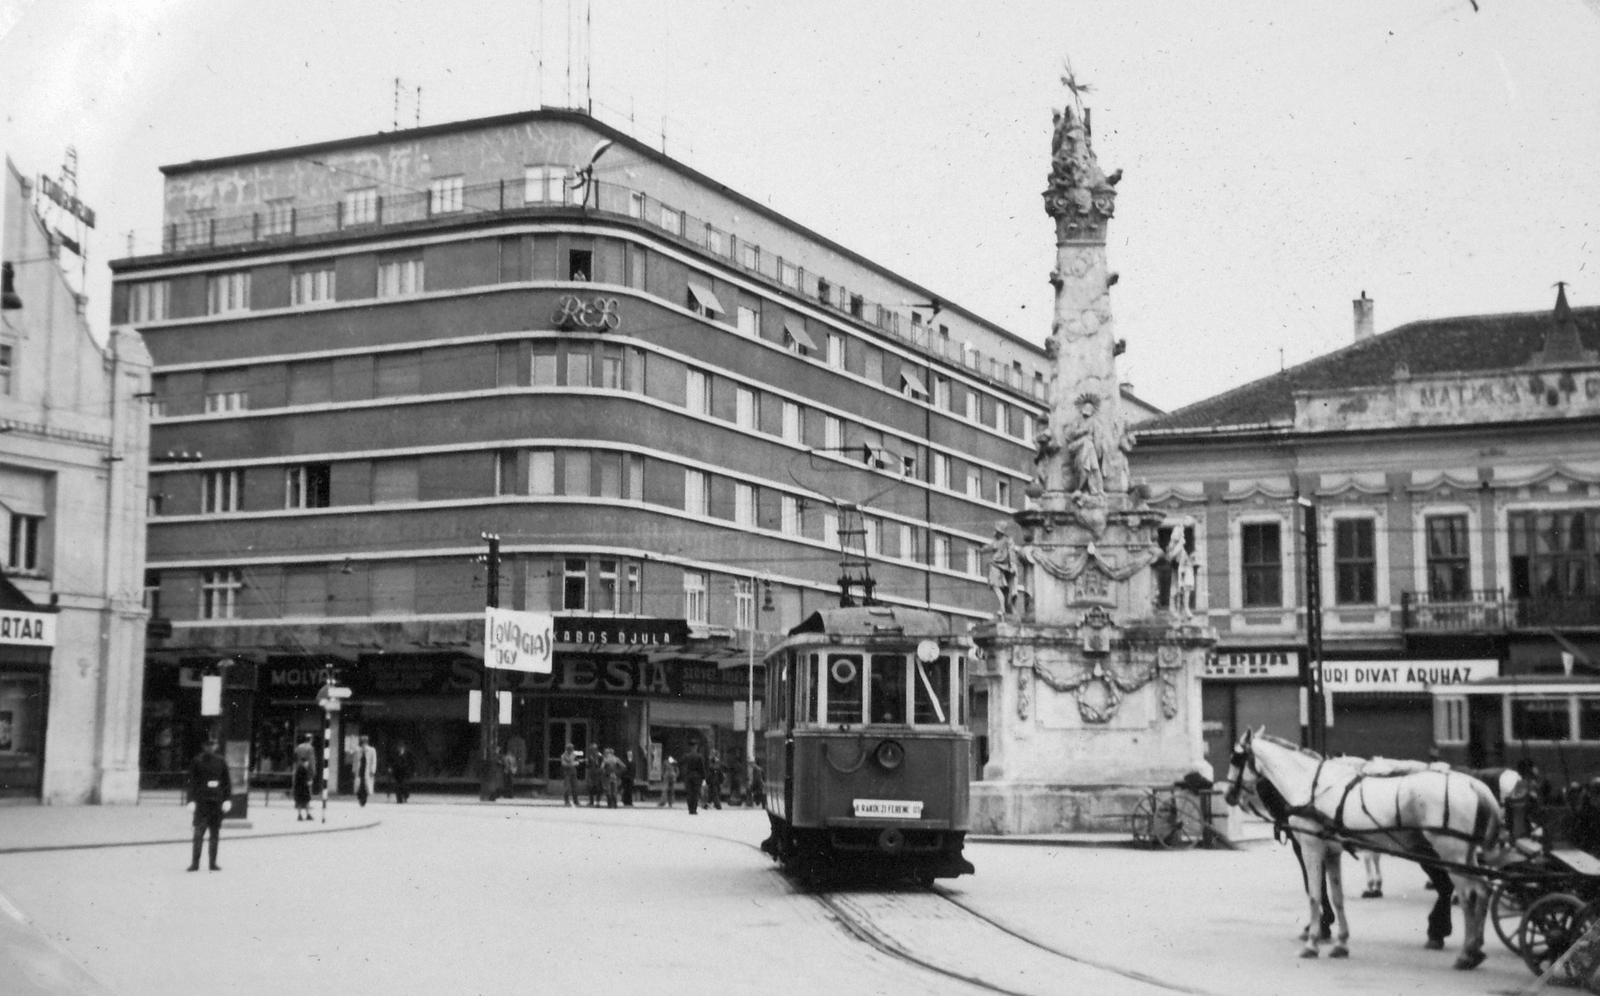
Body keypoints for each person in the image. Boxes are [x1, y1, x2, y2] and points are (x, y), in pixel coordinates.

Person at [187, 739, 232, 872]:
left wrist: (227, 799)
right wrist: (190, 800)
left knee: (214, 834)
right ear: (204, 746)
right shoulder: (197, 761)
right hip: (202, 802)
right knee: (198, 834)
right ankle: (195, 863)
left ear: (216, 746)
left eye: (212, 745)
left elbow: (226, 782)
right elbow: (192, 783)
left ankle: (213, 863)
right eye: (208, 745)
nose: (210, 748)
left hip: (216, 802)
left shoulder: (221, 761)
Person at [292, 736, 315, 821]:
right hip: (306, 773)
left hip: (298, 772)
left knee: (298, 796)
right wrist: (312, 773)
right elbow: (312, 761)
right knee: (307, 795)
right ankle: (308, 814)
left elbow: (294, 759)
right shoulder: (310, 748)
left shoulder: (298, 747)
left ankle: (300, 814)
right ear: (310, 740)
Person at [352, 735, 378, 807]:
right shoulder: (357, 750)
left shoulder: (371, 750)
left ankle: (364, 799)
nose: (363, 744)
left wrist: (373, 770)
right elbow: (355, 761)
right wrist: (354, 769)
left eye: (365, 742)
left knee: (366, 786)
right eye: (362, 742)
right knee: (359, 785)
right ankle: (360, 798)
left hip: (367, 771)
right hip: (360, 771)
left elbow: (374, 761)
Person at [681, 744, 707, 815]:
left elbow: (682, 764)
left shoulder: (687, 756)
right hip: (697, 776)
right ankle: (694, 809)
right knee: (695, 793)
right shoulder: (699, 757)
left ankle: (690, 809)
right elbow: (702, 768)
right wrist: (704, 777)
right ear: (696, 748)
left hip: (688, 776)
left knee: (689, 793)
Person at [586, 743, 604, 807]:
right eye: (591, 749)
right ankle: (591, 801)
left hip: (598, 774)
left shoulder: (600, 756)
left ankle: (598, 802)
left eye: (593, 749)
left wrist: (600, 770)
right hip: (592, 774)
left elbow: (603, 764)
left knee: (598, 788)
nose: (592, 750)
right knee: (590, 787)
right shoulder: (590, 756)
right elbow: (588, 765)